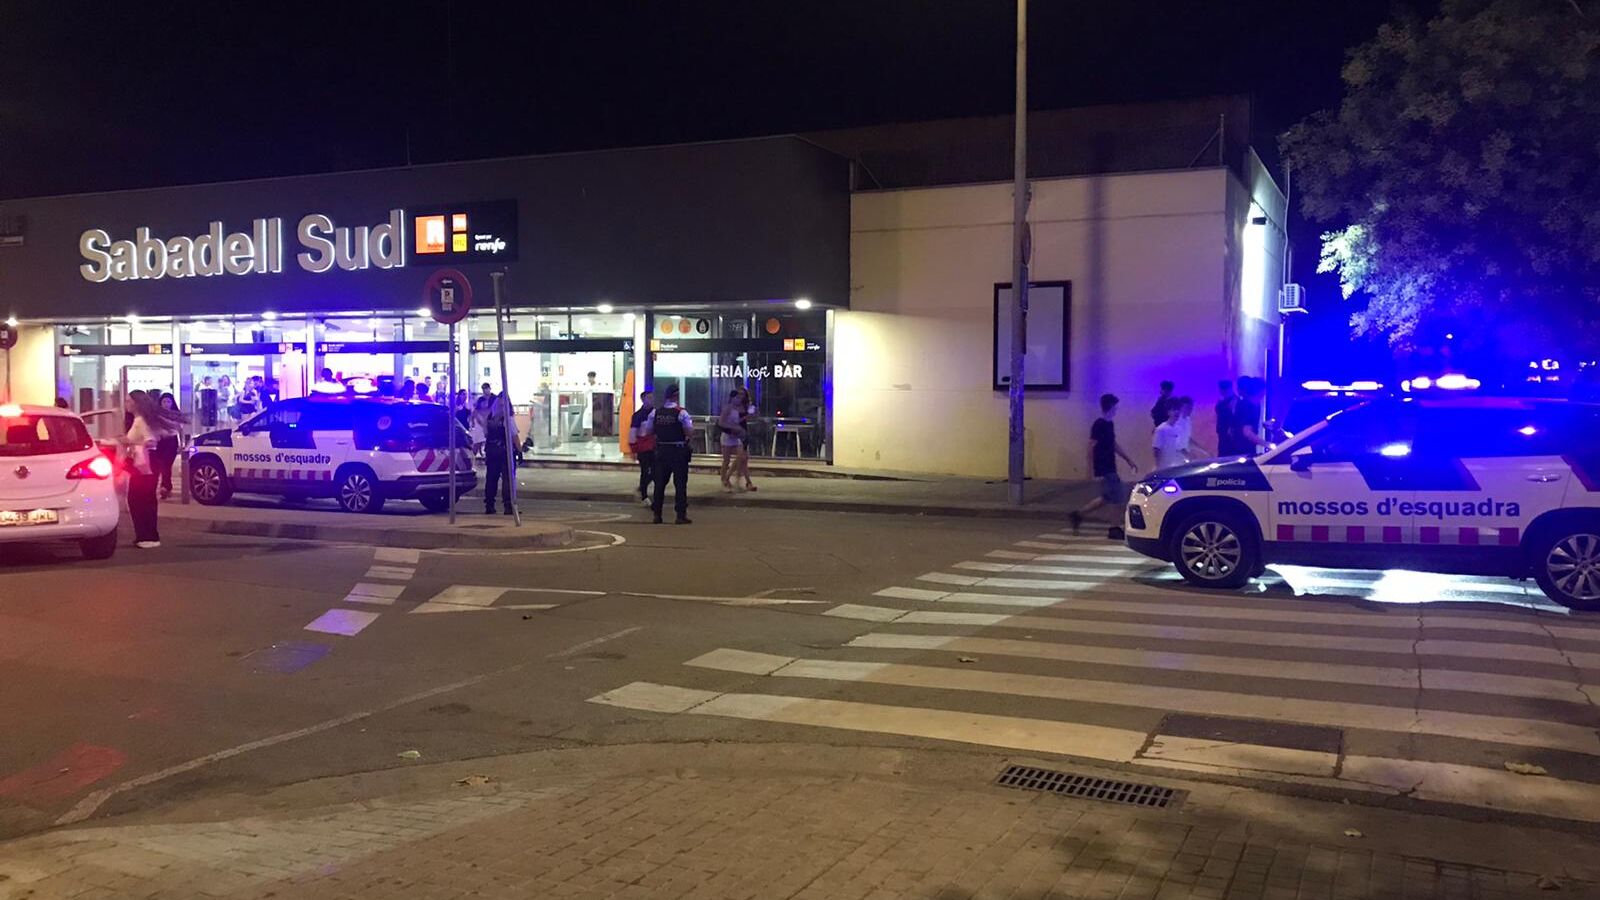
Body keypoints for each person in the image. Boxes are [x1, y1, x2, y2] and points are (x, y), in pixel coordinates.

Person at [1069, 393, 1139, 536]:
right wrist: (1089, 468)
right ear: (1111, 406)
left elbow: (1113, 444)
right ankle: (1114, 528)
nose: (1116, 410)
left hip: (1109, 464)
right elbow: (1091, 446)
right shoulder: (1099, 424)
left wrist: (1128, 459)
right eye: (1115, 407)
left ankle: (1078, 514)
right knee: (1118, 496)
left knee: (1107, 497)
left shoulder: (1109, 424)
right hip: (1104, 466)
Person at [122, 390, 183, 549]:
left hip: (143, 464)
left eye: (128, 401)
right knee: (146, 499)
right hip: (148, 464)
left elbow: (150, 440)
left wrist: (134, 444)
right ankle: (149, 535)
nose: (126, 404)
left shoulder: (141, 421)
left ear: (136, 403)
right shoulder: (144, 420)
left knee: (138, 499)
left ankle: (145, 536)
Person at [640, 384, 694, 524]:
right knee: (680, 484)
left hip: (661, 451)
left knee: (659, 484)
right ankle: (680, 515)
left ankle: (657, 515)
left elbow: (648, 431)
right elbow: (689, 432)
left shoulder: (656, 413)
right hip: (678, 451)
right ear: (676, 396)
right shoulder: (682, 412)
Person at [482, 392, 519, 515]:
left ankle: (489, 505)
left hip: (491, 451)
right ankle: (508, 506)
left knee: (491, 479)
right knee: (508, 479)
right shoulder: (507, 418)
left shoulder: (490, 417)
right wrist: (519, 450)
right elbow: (514, 436)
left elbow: (486, 434)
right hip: (505, 452)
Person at [152, 392, 185, 500]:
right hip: (160, 442)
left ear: (172, 403)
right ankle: (166, 487)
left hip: (171, 442)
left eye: (168, 401)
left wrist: (182, 443)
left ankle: (165, 487)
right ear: (160, 403)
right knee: (161, 465)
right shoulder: (157, 415)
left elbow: (180, 430)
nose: (166, 404)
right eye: (164, 401)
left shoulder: (175, 415)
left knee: (167, 464)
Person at [627, 389, 657, 505]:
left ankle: (642, 489)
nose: (651, 400)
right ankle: (643, 495)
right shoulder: (638, 416)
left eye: (652, 398)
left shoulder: (657, 413)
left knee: (656, 471)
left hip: (654, 446)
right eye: (649, 398)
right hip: (643, 447)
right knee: (645, 471)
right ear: (643, 400)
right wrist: (633, 449)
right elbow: (633, 432)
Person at [717, 388, 747, 492]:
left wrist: (744, 419)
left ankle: (734, 478)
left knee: (741, 456)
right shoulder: (727, 408)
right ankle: (724, 480)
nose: (739, 399)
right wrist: (732, 428)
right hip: (727, 436)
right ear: (732, 398)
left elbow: (736, 421)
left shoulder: (737, 409)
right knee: (726, 460)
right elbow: (721, 422)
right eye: (737, 397)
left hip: (736, 437)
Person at [1230, 376, 1269, 456]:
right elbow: (1247, 432)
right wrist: (1268, 444)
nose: (1264, 393)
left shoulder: (1243, 403)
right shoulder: (1249, 406)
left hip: (1237, 448)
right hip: (1243, 450)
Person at [1151, 401, 1187, 470]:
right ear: (1168, 412)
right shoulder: (1161, 429)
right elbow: (1156, 450)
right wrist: (1158, 466)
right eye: (1174, 409)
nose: (1177, 412)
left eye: (1178, 410)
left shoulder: (1179, 428)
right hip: (1165, 468)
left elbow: (1181, 447)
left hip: (1178, 466)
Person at [1214, 379, 1238, 455]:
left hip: (1230, 433)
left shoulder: (1234, 401)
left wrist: (1231, 427)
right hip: (1222, 431)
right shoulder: (1222, 400)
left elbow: (1234, 416)